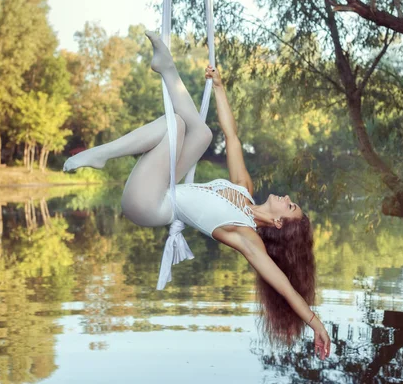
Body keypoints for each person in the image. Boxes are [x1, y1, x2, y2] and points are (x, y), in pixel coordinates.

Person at [63, 31, 331, 360]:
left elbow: (285, 287)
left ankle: (100, 155)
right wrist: (219, 88)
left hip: (149, 205)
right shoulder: (243, 189)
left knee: (175, 125)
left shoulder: (247, 237)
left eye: (289, 206)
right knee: (202, 133)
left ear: (277, 223)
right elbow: (231, 136)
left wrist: (316, 324)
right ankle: (167, 68)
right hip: (162, 188)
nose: (287, 197)